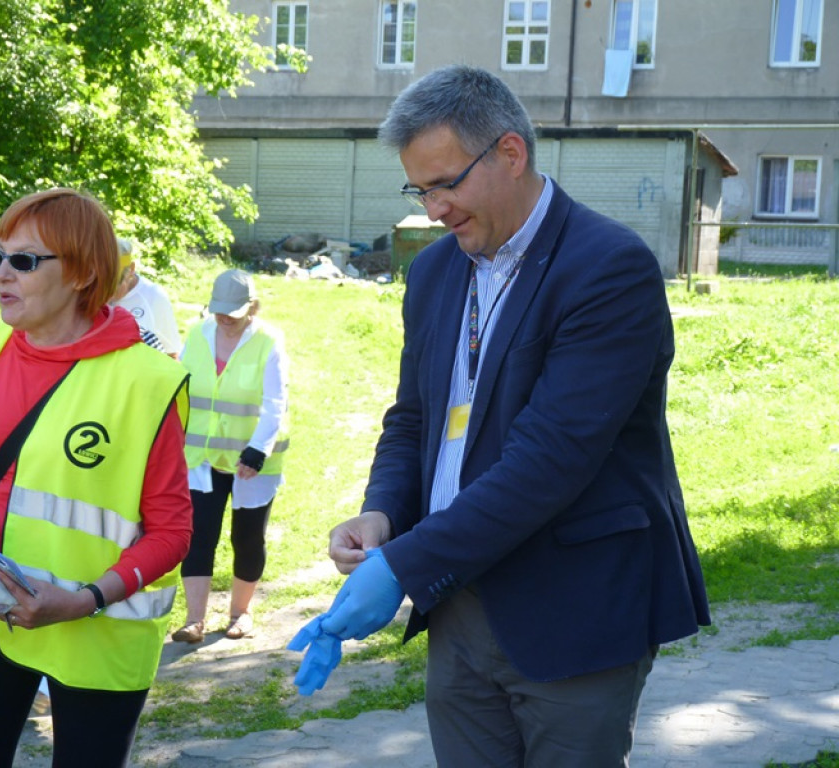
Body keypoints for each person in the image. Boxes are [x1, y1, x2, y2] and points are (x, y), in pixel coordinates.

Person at [287, 65, 710, 767]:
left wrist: (401, 567)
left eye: (446, 183)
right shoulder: (433, 272)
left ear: (510, 154)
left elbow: (550, 462)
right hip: (459, 600)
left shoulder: (609, 269)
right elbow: (414, 418)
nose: (432, 210)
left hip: (573, 608)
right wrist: (383, 514)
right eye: (419, 189)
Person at [0, 188, 192, 768]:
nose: (1, 274)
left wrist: (84, 600)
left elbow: (171, 531)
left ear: (82, 273)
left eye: (24, 260)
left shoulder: (147, 381)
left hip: (96, 629)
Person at [172, 269, 288, 644]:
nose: (225, 318)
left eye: (233, 312)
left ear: (252, 307)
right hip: (203, 456)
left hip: (251, 462)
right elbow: (181, 386)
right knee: (199, 534)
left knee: (247, 537)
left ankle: (241, 613)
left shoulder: (268, 341)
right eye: (219, 310)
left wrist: (258, 449)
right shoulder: (199, 333)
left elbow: (275, 403)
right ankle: (194, 620)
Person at [111, 237, 182, 357]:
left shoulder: (154, 297)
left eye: (115, 284)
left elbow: (171, 353)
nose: (107, 295)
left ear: (131, 270)